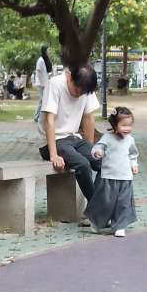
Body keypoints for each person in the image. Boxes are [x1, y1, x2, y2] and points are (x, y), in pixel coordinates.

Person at [38, 62, 101, 216]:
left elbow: (88, 118)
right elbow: (49, 120)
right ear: (69, 77)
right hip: (53, 141)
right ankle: (98, 210)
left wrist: (90, 148)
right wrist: (53, 155)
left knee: (103, 162)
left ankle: (96, 206)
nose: (79, 94)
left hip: (74, 139)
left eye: (83, 92)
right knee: (83, 164)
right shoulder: (55, 84)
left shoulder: (86, 88)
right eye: (77, 89)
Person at [87, 106, 139, 237]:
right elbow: (98, 147)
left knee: (123, 203)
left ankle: (120, 226)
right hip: (109, 177)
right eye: (123, 125)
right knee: (105, 202)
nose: (127, 128)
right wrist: (98, 152)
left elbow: (133, 154)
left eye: (129, 125)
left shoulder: (130, 140)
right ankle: (97, 223)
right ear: (115, 125)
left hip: (125, 178)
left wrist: (134, 164)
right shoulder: (107, 138)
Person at [33, 45, 53, 121]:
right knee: (42, 100)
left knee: (44, 100)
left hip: (45, 83)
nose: (49, 51)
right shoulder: (40, 60)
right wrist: (42, 82)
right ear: (45, 51)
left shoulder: (46, 59)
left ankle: (40, 116)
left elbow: (48, 70)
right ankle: (36, 116)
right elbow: (38, 71)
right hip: (41, 83)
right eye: (48, 50)